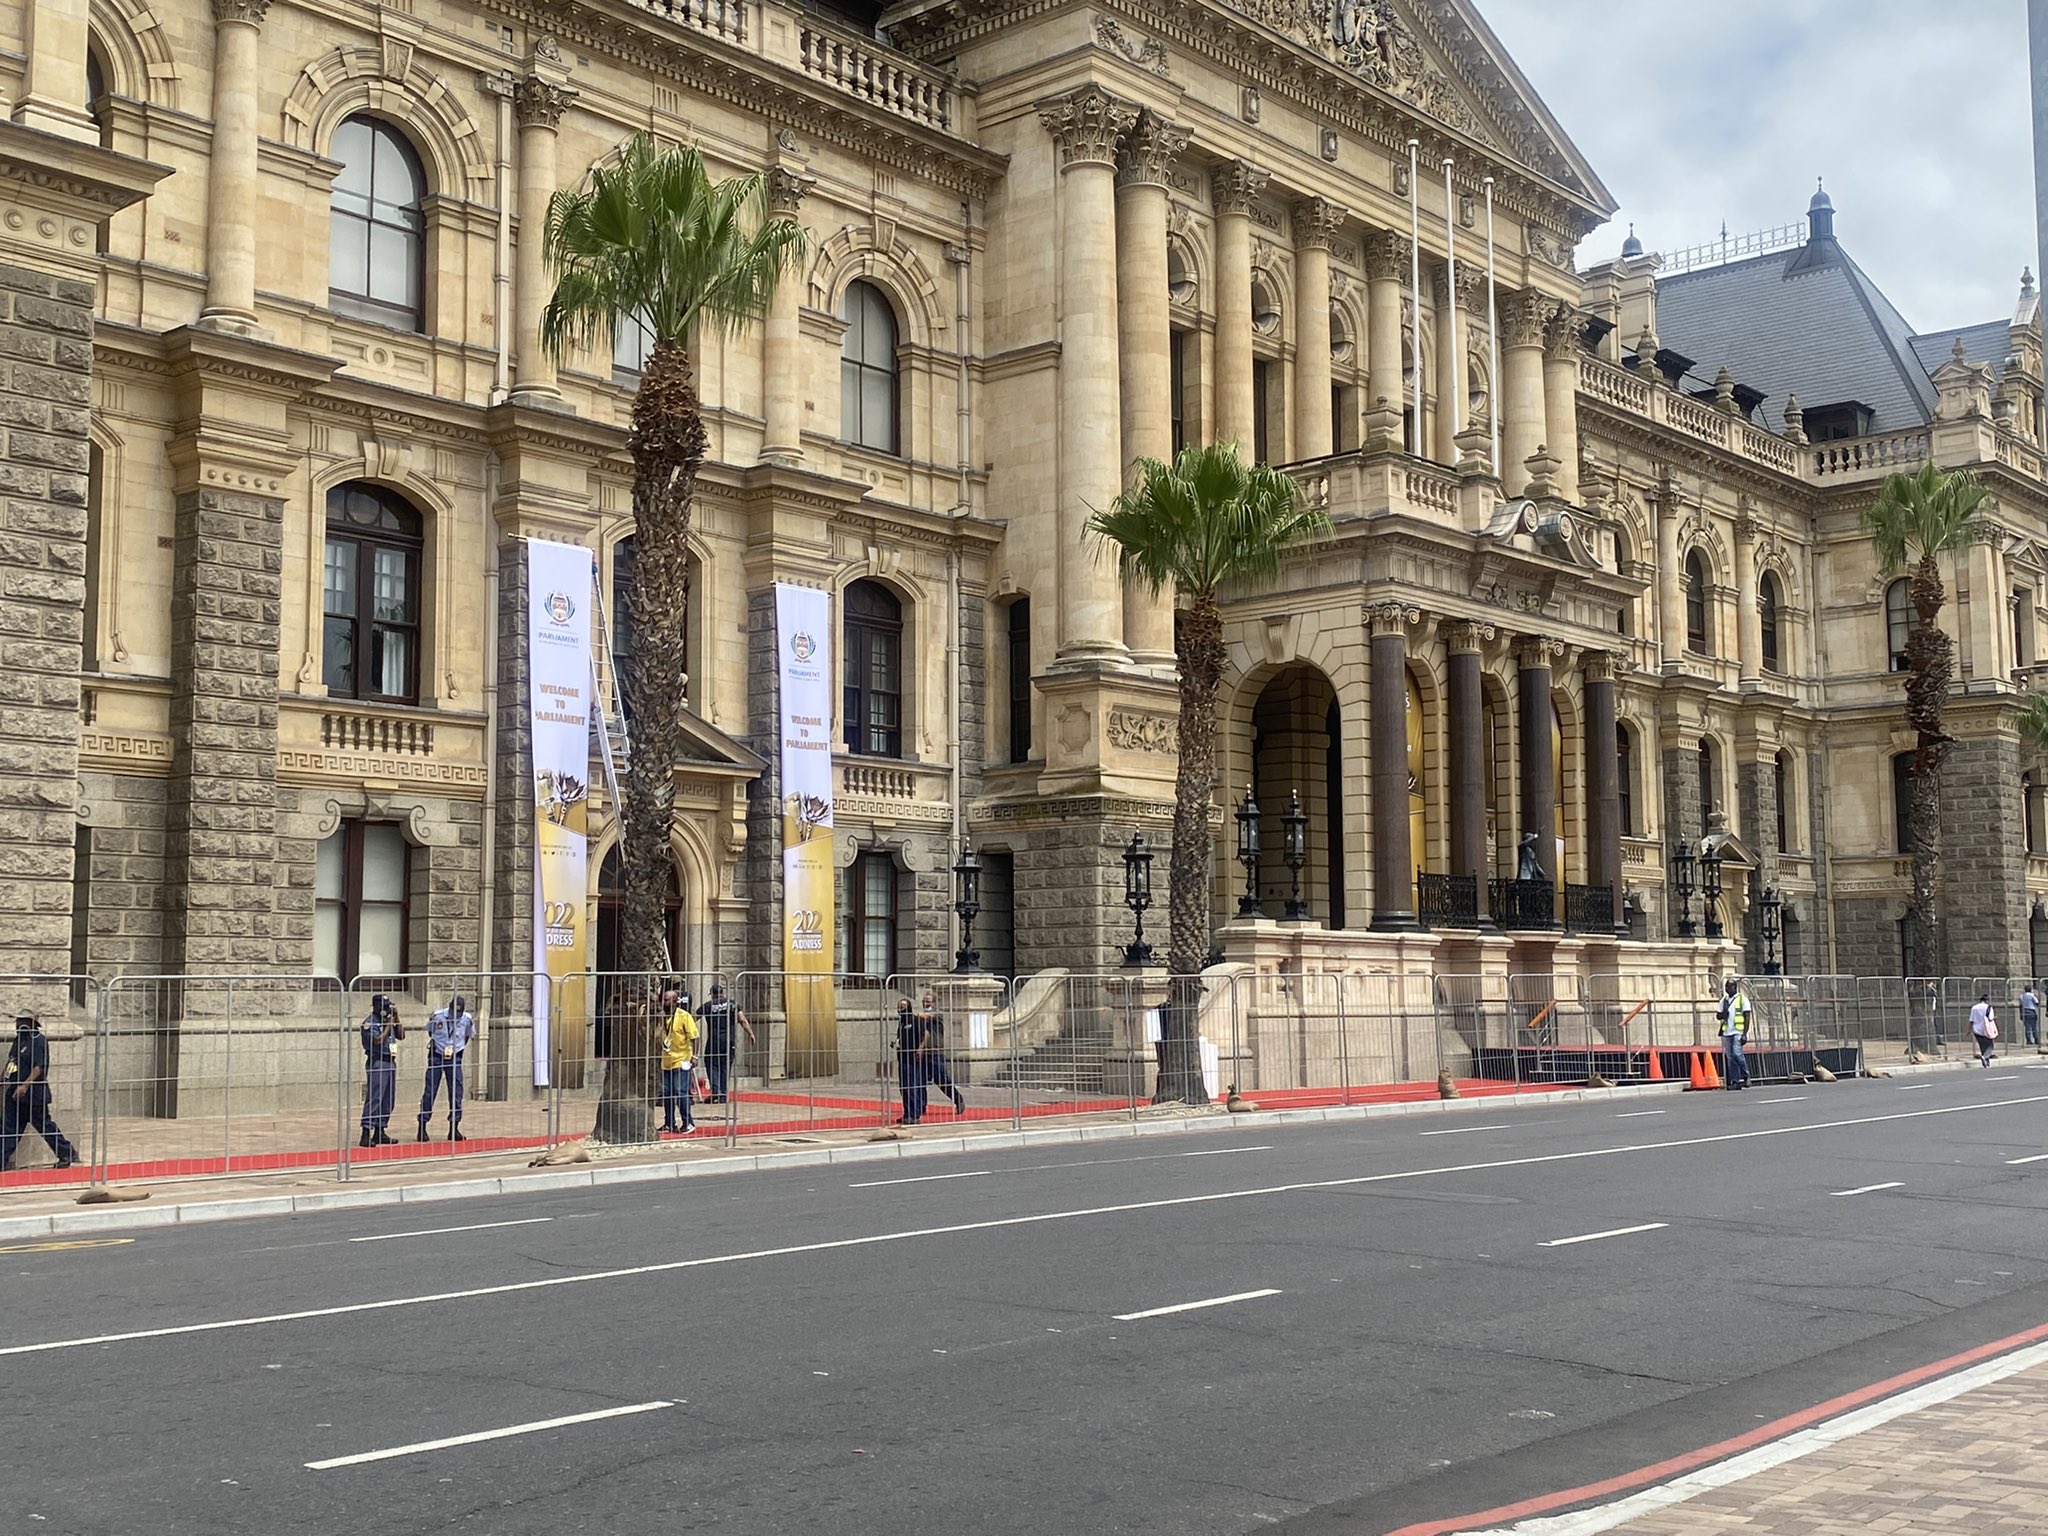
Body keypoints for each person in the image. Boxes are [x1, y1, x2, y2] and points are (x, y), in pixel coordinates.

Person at [2, 1014, 78, 1171]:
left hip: (33, 1094)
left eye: (22, 1021)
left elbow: (39, 1067)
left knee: (44, 1126)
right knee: (9, 1129)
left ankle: (66, 1152)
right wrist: (3, 1078)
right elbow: (12, 1061)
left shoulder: (39, 1040)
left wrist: (24, 1086)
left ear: (31, 1023)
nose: (19, 1024)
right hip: (14, 1094)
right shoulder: (19, 1040)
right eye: (18, 1021)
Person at [418, 992, 476, 1142]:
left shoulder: (467, 1019)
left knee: (456, 1092)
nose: (455, 1015)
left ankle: (454, 1127)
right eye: (453, 1012)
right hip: (437, 1055)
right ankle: (422, 1125)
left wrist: (457, 1048)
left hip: (455, 1057)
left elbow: (467, 1035)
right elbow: (431, 1032)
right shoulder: (438, 1016)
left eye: (458, 1012)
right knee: (430, 1091)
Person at [359, 994, 405, 1148]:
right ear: (376, 1007)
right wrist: (388, 1027)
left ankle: (380, 1130)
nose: (386, 1010)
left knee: (388, 1099)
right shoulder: (369, 1023)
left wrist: (396, 1018)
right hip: (377, 1061)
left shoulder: (389, 1020)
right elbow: (378, 1041)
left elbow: (401, 1035)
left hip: (390, 1061)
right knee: (375, 1097)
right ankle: (366, 1131)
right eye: (384, 1007)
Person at [697, 983, 754, 1104]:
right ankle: (723, 1094)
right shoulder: (732, 1004)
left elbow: (693, 1017)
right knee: (725, 1066)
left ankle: (716, 1092)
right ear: (722, 992)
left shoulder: (708, 1005)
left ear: (712, 994)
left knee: (712, 1064)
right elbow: (742, 1020)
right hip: (729, 1041)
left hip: (714, 1041)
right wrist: (750, 1033)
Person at [659, 985, 699, 1134]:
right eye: (663, 999)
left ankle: (688, 1122)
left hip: (682, 1060)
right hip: (666, 1061)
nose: (663, 1002)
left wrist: (694, 1056)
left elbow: (695, 1037)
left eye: (667, 1000)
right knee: (667, 1093)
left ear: (675, 1001)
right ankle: (669, 1123)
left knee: (680, 1091)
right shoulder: (661, 1016)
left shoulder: (684, 1016)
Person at [918, 993, 966, 1115]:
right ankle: (921, 1107)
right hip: (923, 1053)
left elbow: (926, 1016)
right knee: (920, 1082)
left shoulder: (937, 1014)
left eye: (928, 1001)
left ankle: (958, 1099)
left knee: (942, 1080)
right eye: (924, 1001)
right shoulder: (919, 1017)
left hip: (935, 1052)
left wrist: (910, 1014)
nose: (926, 1003)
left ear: (933, 1003)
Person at [894, 997, 928, 1125]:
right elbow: (900, 1037)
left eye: (902, 1006)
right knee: (904, 1087)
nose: (900, 1009)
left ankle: (914, 1114)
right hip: (902, 1057)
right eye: (899, 1006)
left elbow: (925, 1034)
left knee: (912, 1085)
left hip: (913, 1057)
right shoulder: (901, 1023)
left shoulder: (915, 1020)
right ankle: (907, 1113)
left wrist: (920, 1048)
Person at [1717, 977, 1751, 1091]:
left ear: (1735, 987)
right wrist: (1723, 1014)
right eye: (1726, 986)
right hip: (1727, 1032)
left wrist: (1745, 1033)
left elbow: (1747, 1016)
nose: (1727, 989)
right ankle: (1735, 1081)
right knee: (1730, 1057)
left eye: (1729, 986)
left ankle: (1746, 1075)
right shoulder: (1724, 1000)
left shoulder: (1742, 999)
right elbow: (1718, 1015)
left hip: (1738, 1031)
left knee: (1737, 1054)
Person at [1970, 992, 1999, 1067]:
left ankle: (1986, 1062)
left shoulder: (1974, 1008)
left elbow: (1971, 1020)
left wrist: (1968, 1030)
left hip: (1976, 1029)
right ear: (1987, 1000)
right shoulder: (1989, 1007)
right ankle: (1985, 1057)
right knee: (1990, 1045)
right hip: (1986, 1029)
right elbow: (1990, 1018)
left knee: (1982, 1045)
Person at [2022, 984, 2041, 1049]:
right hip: (2031, 1011)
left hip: (2025, 1011)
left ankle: (2028, 1040)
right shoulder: (2032, 995)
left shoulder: (2022, 996)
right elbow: (2037, 1002)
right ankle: (2036, 1039)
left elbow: (2021, 1003)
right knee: (2034, 1026)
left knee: (2027, 1027)